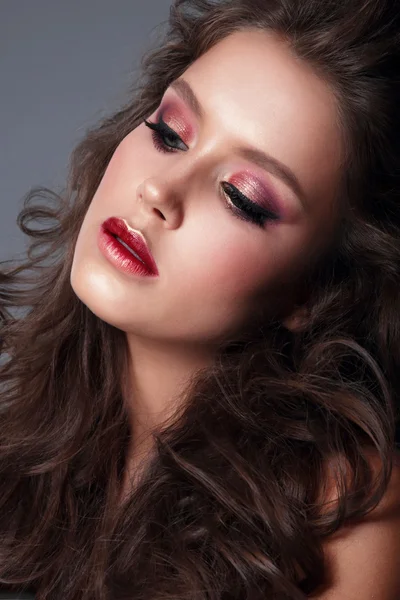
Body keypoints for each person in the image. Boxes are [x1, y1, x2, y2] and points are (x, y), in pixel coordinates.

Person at [0, 0, 399, 598]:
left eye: (241, 197)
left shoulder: (342, 510)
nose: (159, 189)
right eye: (168, 132)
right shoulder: (26, 443)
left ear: (316, 293)